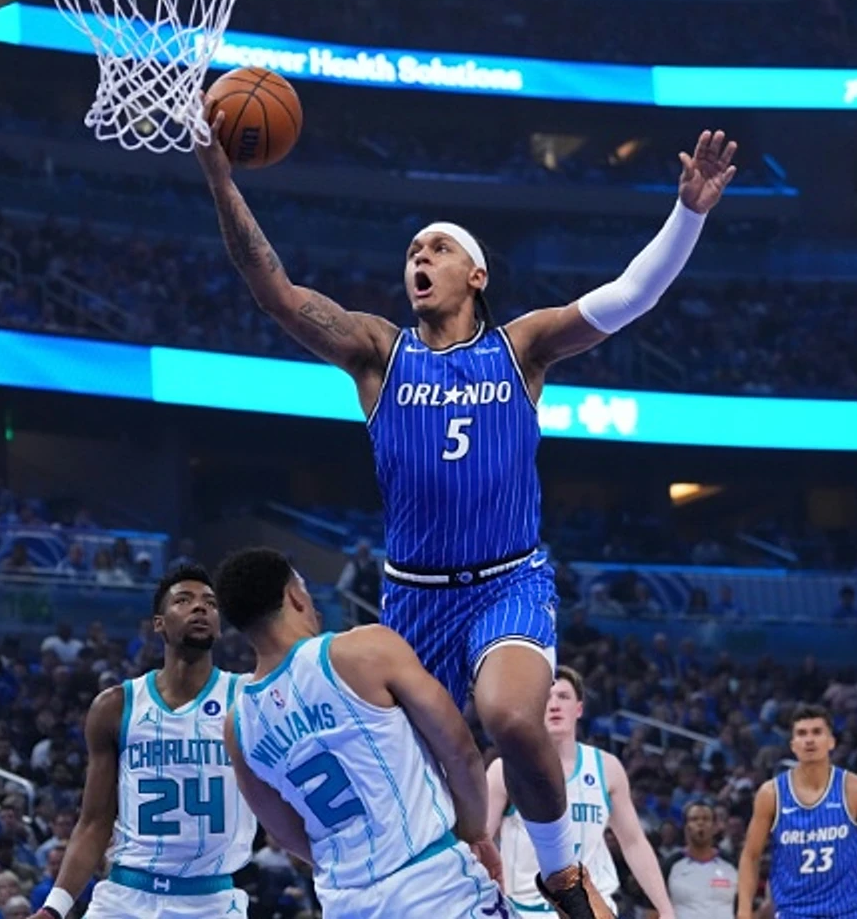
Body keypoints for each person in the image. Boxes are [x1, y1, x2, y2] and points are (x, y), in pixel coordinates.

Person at [200, 93, 738, 919]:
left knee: (510, 718)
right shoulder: (377, 353)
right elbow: (273, 289)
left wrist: (687, 214)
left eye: (438, 248)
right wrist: (219, 174)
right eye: (412, 250)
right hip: (413, 598)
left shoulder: (522, 348)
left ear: (475, 275)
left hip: (507, 582)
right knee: (415, 778)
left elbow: (628, 296)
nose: (419, 257)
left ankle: (560, 874)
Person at [214, 547, 508, 919]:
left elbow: (286, 835)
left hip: (346, 902)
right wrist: (476, 833)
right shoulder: (363, 650)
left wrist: (356, 871)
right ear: (295, 596)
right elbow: (460, 749)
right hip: (433, 881)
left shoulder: (238, 725)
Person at [31, 564, 256, 919]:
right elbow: (93, 822)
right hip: (125, 897)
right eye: (184, 600)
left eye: (210, 603)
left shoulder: (248, 698)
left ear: (218, 625)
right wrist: (53, 908)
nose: (200, 607)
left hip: (212, 901)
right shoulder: (115, 706)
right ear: (159, 623)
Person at [488, 667, 675, 917]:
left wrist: (665, 909)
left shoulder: (607, 768)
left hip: (593, 909)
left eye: (563, 696)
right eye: (546, 698)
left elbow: (633, 842)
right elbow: (480, 841)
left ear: (579, 709)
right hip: (525, 910)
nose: (555, 705)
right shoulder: (505, 768)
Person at [738, 707, 857, 919]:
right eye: (802, 734)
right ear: (793, 745)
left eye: (817, 732)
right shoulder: (771, 794)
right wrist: (743, 912)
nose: (809, 740)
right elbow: (751, 856)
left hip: (846, 913)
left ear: (831, 741)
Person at [665, 802, 738, 919]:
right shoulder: (670, 865)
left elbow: (744, 908)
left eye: (706, 819)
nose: (700, 823)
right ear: (686, 828)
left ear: (715, 827)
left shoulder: (731, 865)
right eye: (694, 819)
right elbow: (652, 911)